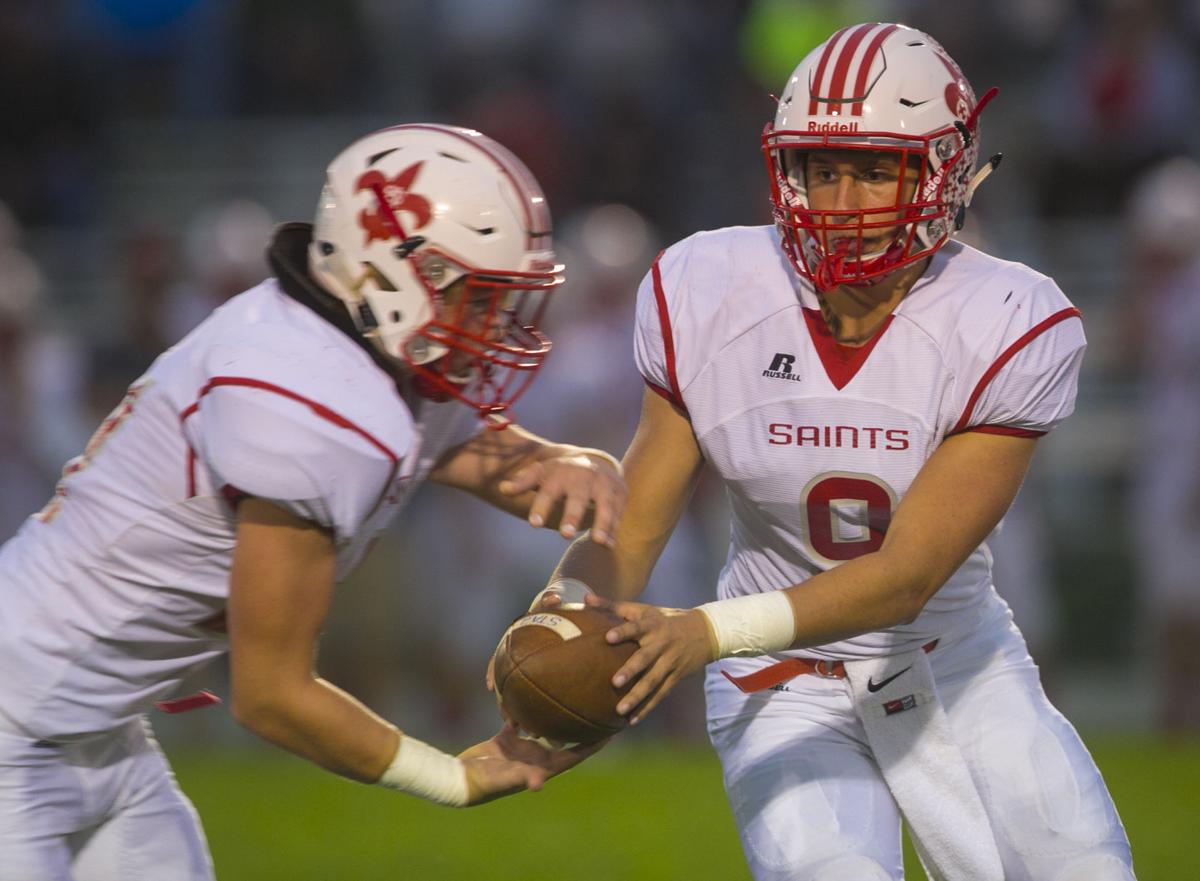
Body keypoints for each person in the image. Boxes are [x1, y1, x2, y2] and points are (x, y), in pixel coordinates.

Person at [537, 23, 1135, 881]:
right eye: (822, 167)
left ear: (944, 171)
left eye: (874, 167)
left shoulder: (1008, 316)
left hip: (951, 659)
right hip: (779, 683)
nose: (842, 199)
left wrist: (706, 629)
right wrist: (560, 629)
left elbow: (905, 577)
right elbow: (635, 526)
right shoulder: (709, 286)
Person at [0, 123, 625, 881]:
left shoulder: (362, 342)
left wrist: (559, 460)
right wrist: (453, 775)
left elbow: (440, 442)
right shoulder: (302, 397)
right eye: (479, 297)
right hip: (18, 726)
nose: (495, 326)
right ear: (394, 274)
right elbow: (271, 693)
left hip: (95, 729)